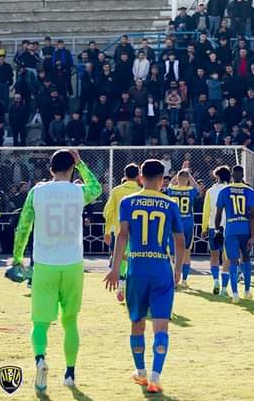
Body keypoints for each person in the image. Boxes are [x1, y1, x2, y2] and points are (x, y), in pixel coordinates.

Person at [10, 150, 101, 392]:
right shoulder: (79, 192)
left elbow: (23, 227)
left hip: (44, 264)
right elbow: (97, 188)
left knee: (40, 322)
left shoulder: (36, 192)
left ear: (50, 169)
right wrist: (81, 163)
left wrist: (17, 257)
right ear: (71, 168)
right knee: (70, 321)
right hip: (71, 263)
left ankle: (40, 360)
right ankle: (70, 373)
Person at [104, 159, 185, 394]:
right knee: (161, 325)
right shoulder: (170, 203)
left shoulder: (128, 201)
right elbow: (180, 241)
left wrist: (115, 267)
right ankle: (156, 377)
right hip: (161, 269)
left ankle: (140, 372)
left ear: (140, 176)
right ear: (162, 178)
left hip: (137, 269)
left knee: (137, 323)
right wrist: (178, 268)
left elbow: (122, 235)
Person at [215, 165, 254, 302]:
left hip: (231, 228)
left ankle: (234, 294)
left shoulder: (225, 190)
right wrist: (252, 234)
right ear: (243, 175)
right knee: (246, 259)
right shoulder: (250, 191)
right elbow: (252, 214)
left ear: (232, 176)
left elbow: (218, 212)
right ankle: (246, 291)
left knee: (233, 260)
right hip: (245, 228)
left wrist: (217, 229)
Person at [103, 164, 142, 303]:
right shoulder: (141, 191)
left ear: (125, 176)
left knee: (119, 257)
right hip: (137, 232)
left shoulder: (116, 191)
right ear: (138, 175)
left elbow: (108, 212)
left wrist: (107, 231)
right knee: (134, 258)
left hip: (119, 230)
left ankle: (120, 286)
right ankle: (131, 287)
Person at [165, 167, 198, 288]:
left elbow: (170, 184)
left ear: (178, 178)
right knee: (186, 252)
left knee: (173, 253)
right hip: (188, 223)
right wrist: (189, 175)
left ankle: (173, 279)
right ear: (188, 180)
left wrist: (180, 171)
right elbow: (197, 188)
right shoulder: (190, 190)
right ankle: (184, 280)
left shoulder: (172, 189)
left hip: (174, 223)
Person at [201, 166, 230, 294]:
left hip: (213, 226)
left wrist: (204, 228)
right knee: (226, 257)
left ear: (217, 176)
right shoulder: (231, 190)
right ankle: (224, 288)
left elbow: (206, 211)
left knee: (214, 255)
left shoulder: (211, 191)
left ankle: (215, 280)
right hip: (228, 226)